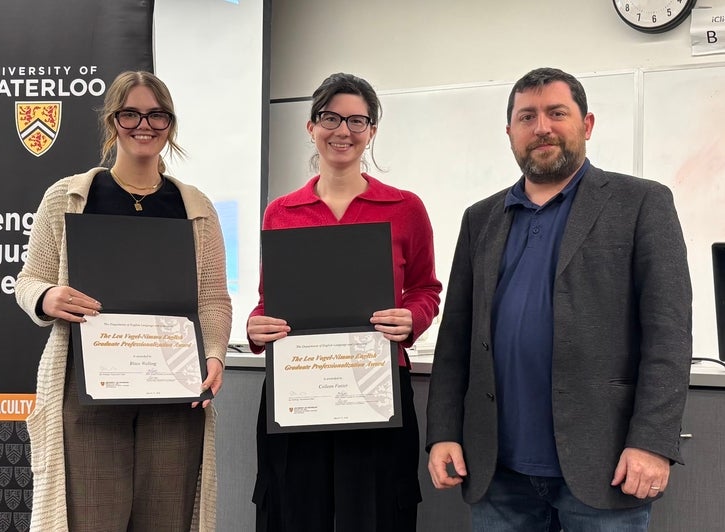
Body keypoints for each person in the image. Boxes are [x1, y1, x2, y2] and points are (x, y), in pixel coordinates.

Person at [425, 66, 693, 531]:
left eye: (556, 113)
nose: (542, 127)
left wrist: (653, 441)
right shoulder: (480, 218)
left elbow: (669, 337)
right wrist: (444, 433)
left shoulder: (641, 203)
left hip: (604, 463)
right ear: (510, 132)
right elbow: (456, 341)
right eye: (526, 116)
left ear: (586, 125)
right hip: (497, 471)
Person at [15, 71, 232, 532]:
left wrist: (214, 354)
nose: (144, 124)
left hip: (174, 396)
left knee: (167, 522)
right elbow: (29, 279)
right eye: (130, 113)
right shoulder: (70, 197)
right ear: (112, 121)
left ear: (170, 124)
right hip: (89, 394)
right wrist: (47, 295)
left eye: (157, 114)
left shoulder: (194, 206)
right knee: (90, 522)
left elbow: (213, 298)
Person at [247, 72, 442, 532]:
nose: (344, 131)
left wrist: (410, 319)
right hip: (298, 392)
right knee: (293, 513)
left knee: (376, 515)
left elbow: (426, 290)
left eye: (358, 121)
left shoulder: (404, 207)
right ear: (311, 126)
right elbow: (267, 302)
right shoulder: (281, 212)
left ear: (372, 131)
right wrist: (257, 327)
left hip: (376, 393)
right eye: (331, 118)